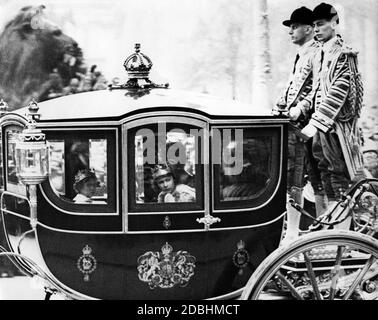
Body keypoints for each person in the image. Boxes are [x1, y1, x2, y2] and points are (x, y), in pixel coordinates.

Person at [300, 3, 365, 228]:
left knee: (339, 176)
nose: (317, 29)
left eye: (321, 24)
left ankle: (343, 234)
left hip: (337, 127)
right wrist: (303, 106)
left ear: (334, 23)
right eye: (314, 25)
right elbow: (317, 89)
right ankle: (333, 227)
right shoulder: (319, 54)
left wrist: (317, 122)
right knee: (324, 173)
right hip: (322, 128)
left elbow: (340, 89)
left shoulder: (344, 53)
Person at [274, 6, 325, 243]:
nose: (290, 32)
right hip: (296, 123)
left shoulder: (317, 53)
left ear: (308, 28)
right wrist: (281, 103)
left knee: (304, 178)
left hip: (306, 125)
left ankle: (298, 232)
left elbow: (318, 89)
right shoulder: (303, 53)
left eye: (294, 27)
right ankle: (295, 230)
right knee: (296, 178)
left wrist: (300, 108)